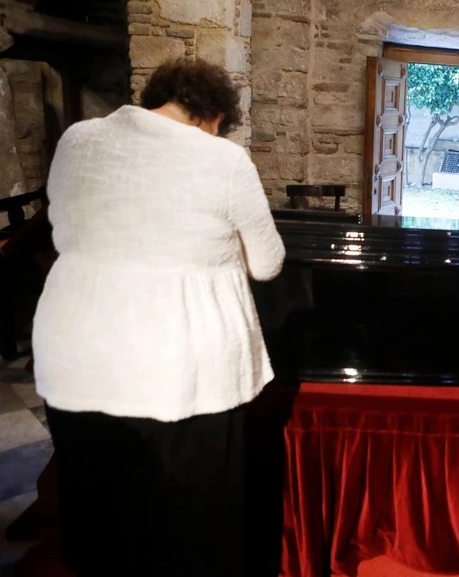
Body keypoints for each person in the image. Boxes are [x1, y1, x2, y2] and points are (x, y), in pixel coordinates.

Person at [32, 58, 286, 577]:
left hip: (77, 351)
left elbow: (68, 224)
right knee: (189, 525)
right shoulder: (224, 159)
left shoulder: (77, 140)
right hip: (182, 366)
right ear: (214, 116)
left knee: (101, 514)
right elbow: (267, 262)